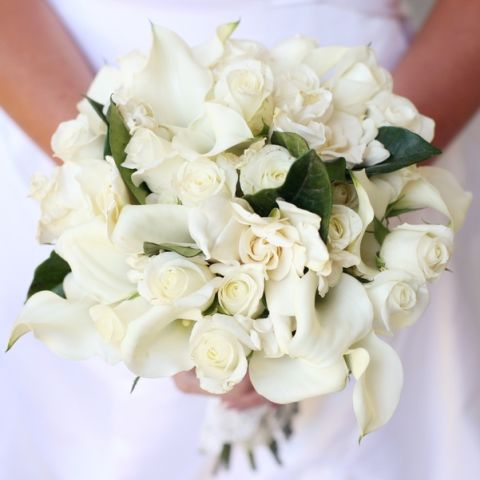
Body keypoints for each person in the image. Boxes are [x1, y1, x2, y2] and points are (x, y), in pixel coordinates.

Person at [0, 0, 479, 478]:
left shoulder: (369, 167)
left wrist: (365, 177)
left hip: (368, 123)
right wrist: (107, 176)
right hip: (65, 104)